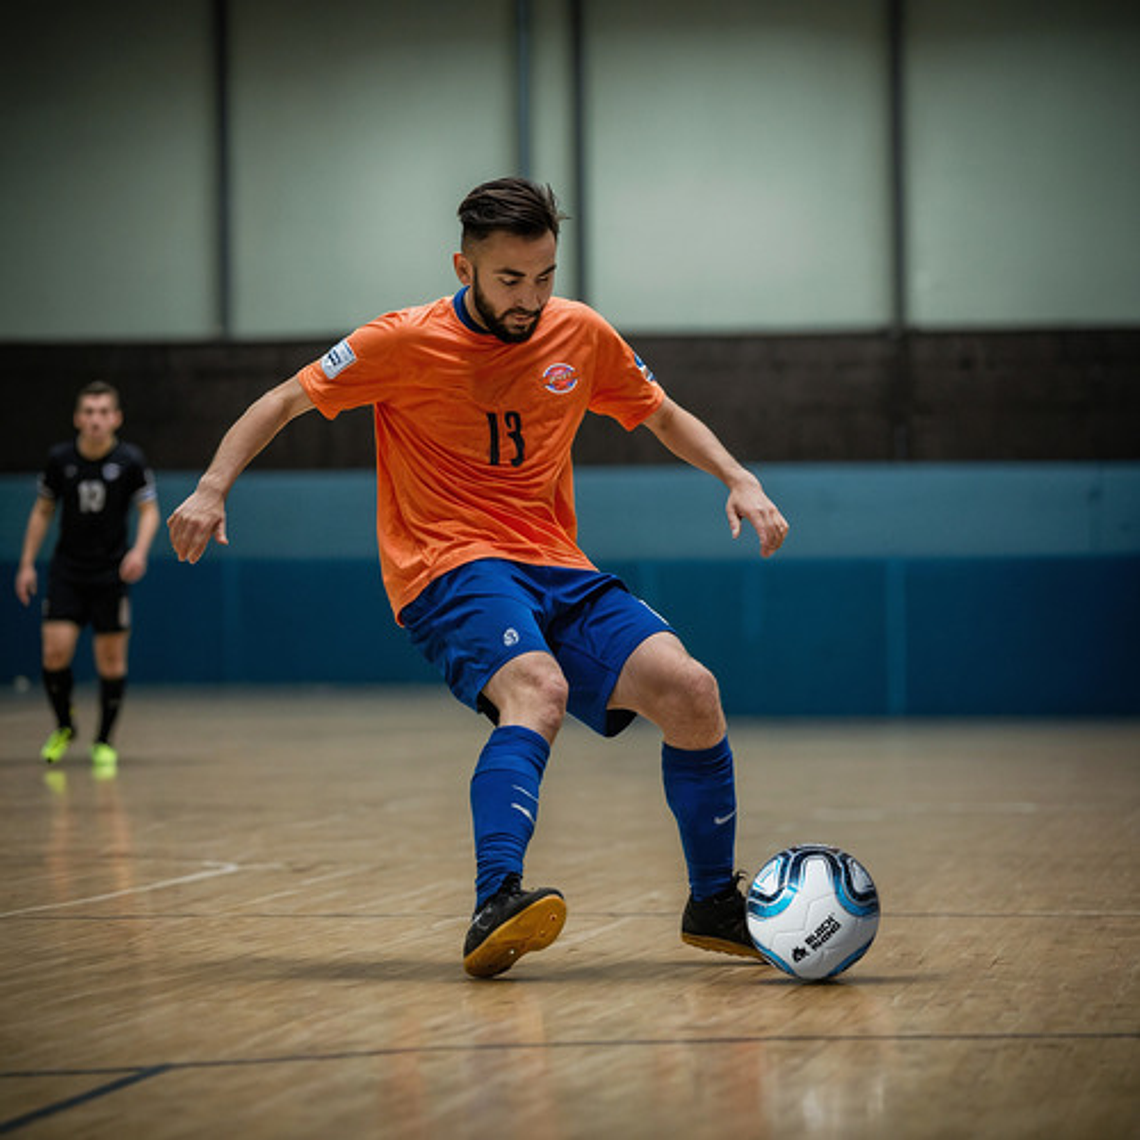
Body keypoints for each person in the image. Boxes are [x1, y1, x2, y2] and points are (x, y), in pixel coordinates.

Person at [168, 177, 789, 978]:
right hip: (447, 560)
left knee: (691, 691)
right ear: (464, 267)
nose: (530, 298)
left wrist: (739, 477)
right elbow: (287, 399)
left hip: (556, 563)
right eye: (509, 280)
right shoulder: (402, 340)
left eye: (545, 277)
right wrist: (213, 486)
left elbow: (660, 411)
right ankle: (496, 898)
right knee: (538, 688)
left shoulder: (579, 335)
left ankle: (712, 905)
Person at [16, 381, 159, 770]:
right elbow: (43, 510)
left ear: (116, 418)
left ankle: (104, 741)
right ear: (79, 418)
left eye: (103, 412)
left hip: (111, 573)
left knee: (111, 662)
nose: (96, 420)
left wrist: (139, 551)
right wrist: (27, 563)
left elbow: (149, 511)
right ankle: (65, 725)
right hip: (68, 570)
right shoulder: (60, 458)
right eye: (89, 412)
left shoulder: (130, 460)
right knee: (54, 653)